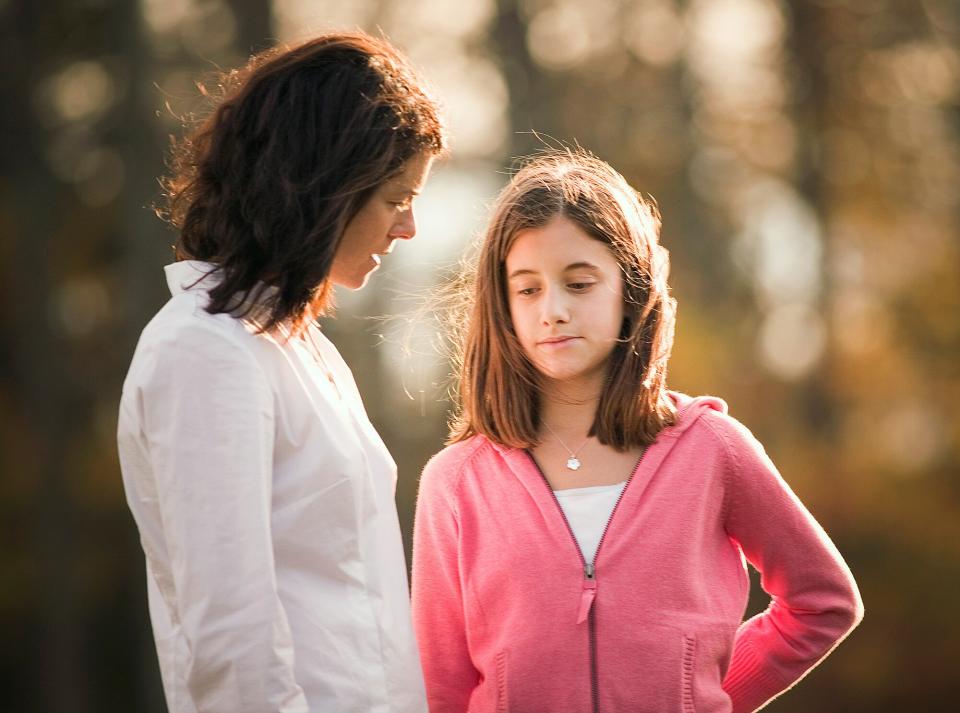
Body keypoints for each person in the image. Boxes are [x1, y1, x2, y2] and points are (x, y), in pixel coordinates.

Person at [411, 149, 863, 713]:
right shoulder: (455, 481)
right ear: (501, 305)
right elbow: (441, 684)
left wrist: (709, 696)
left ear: (630, 293)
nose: (552, 309)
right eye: (527, 289)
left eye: (579, 284)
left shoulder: (713, 448)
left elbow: (823, 602)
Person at [117, 32, 444, 713]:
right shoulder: (203, 351)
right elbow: (232, 636)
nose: (408, 227)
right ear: (325, 186)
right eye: (394, 198)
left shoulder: (299, 346)